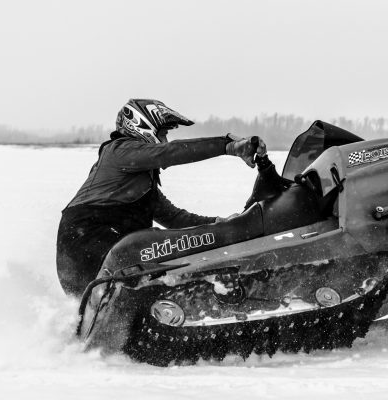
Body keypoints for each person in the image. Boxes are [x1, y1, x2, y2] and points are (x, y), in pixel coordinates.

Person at [56, 99, 265, 298]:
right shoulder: (118, 151)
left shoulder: (142, 186)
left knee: (169, 248)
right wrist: (227, 145)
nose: (165, 140)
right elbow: (168, 152)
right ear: (143, 127)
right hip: (85, 238)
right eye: (163, 134)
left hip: (104, 252)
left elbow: (176, 218)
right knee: (154, 246)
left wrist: (222, 226)